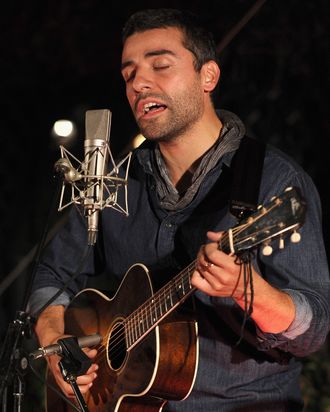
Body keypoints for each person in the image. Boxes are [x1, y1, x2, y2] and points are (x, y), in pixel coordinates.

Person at [29, 8, 330, 412]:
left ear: (208, 76)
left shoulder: (273, 181)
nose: (139, 83)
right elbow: (52, 274)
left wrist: (248, 291)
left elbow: (313, 331)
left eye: (160, 65)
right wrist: (55, 346)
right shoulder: (117, 181)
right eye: (128, 74)